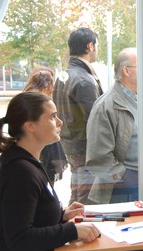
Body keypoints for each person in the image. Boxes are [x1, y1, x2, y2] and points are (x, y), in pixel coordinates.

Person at [0, 92, 101, 251]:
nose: (60, 122)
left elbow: (29, 216)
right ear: (30, 126)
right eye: (52, 117)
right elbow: (19, 238)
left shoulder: (27, 162)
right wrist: (72, 231)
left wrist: (61, 216)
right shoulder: (20, 172)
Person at [86, 47, 138, 251]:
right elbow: (99, 159)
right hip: (121, 190)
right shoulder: (106, 105)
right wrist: (126, 177)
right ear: (126, 70)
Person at [53, 27, 103, 205]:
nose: (97, 49)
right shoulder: (84, 79)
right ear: (90, 46)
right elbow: (95, 121)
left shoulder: (64, 76)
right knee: (85, 203)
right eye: (97, 45)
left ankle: (71, 230)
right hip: (85, 150)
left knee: (75, 197)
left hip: (70, 146)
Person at [23, 67, 68, 184]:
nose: (59, 122)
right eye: (53, 117)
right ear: (48, 84)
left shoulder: (25, 97)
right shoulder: (39, 101)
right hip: (44, 147)